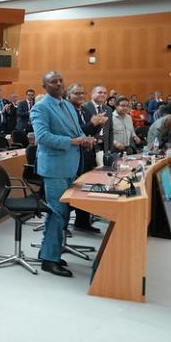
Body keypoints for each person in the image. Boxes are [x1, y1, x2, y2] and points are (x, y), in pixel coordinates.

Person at [30, 70, 95, 277]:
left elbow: (76, 132)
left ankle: (46, 251)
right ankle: (50, 260)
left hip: (71, 164)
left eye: (60, 81)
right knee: (58, 214)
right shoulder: (40, 107)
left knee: (60, 213)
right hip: (54, 167)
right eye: (52, 82)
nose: (58, 84)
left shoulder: (68, 105)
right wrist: (72, 142)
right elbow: (43, 137)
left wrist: (85, 138)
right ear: (44, 86)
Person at [66, 83, 106, 233]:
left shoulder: (85, 110)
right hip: (74, 156)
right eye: (77, 94)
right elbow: (73, 133)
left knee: (85, 189)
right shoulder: (67, 110)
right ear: (69, 95)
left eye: (82, 93)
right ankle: (63, 226)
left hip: (88, 154)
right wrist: (92, 124)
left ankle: (82, 222)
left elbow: (90, 130)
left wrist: (98, 124)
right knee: (73, 190)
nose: (81, 96)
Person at [82, 85, 114, 154]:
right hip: (90, 146)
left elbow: (110, 130)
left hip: (104, 146)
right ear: (92, 94)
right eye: (100, 92)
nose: (103, 94)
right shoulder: (84, 107)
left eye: (105, 93)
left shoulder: (108, 109)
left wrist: (110, 148)